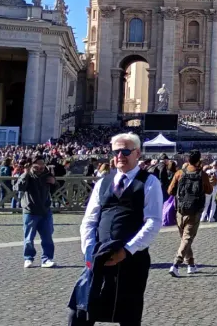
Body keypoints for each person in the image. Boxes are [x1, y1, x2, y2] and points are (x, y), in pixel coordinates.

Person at [68, 133, 163, 326]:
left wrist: (127, 250)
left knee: (128, 314)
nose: (120, 155)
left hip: (132, 259)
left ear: (137, 153)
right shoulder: (103, 181)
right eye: (117, 151)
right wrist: (88, 249)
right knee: (81, 311)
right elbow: (90, 219)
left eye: (126, 151)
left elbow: (153, 221)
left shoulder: (150, 182)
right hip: (99, 256)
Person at [166, 150, 212, 277]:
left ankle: (191, 265)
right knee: (187, 239)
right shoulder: (202, 174)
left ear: (187, 160)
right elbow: (209, 190)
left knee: (185, 239)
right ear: (198, 160)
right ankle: (176, 264)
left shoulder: (180, 173)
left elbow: (170, 191)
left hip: (180, 210)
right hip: (195, 210)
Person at [17, 155, 57, 268]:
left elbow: (55, 189)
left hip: (45, 210)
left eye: (42, 164)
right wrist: (26, 173)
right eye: (37, 165)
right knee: (29, 238)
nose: (40, 167)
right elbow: (19, 187)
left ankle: (47, 259)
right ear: (32, 165)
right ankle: (28, 258)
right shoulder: (28, 175)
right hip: (30, 211)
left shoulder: (47, 174)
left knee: (47, 237)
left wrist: (54, 182)